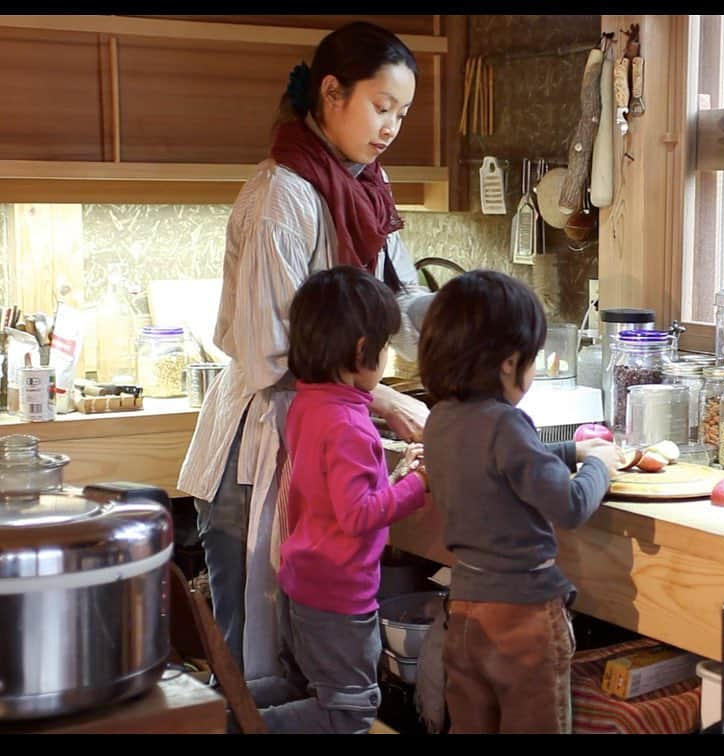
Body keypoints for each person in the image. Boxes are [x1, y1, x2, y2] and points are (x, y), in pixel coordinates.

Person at [176, 21, 434, 680]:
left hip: (313, 439)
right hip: (253, 452)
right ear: (331, 92)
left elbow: (394, 312)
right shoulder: (280, 198)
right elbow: (271, 350)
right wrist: (385, 398)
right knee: (250, 661)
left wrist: (472, 327)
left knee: (299, 657)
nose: (391, 127)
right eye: (381, 106)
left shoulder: (365, 189)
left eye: (401, 114)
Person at [418, 270, 624, 734]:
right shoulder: (508, 424)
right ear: (509, 364)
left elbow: (497, 467)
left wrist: (572, 451)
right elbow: (569, 506)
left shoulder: (440, 420)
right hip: (523, 619)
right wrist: (600, 467)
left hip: (466, 610)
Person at [250, 265, 428, 733]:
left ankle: (213, 714)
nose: (387, 357)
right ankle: (224, 725)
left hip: (302, 581)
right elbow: (357, 515)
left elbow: (336, 493)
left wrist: (398, 476)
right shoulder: (349, 424)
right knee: (347, 711)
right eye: (385, 346)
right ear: (359, 349)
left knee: (298, 687)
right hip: (338, 595)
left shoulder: (311, 402)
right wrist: (421, 485)